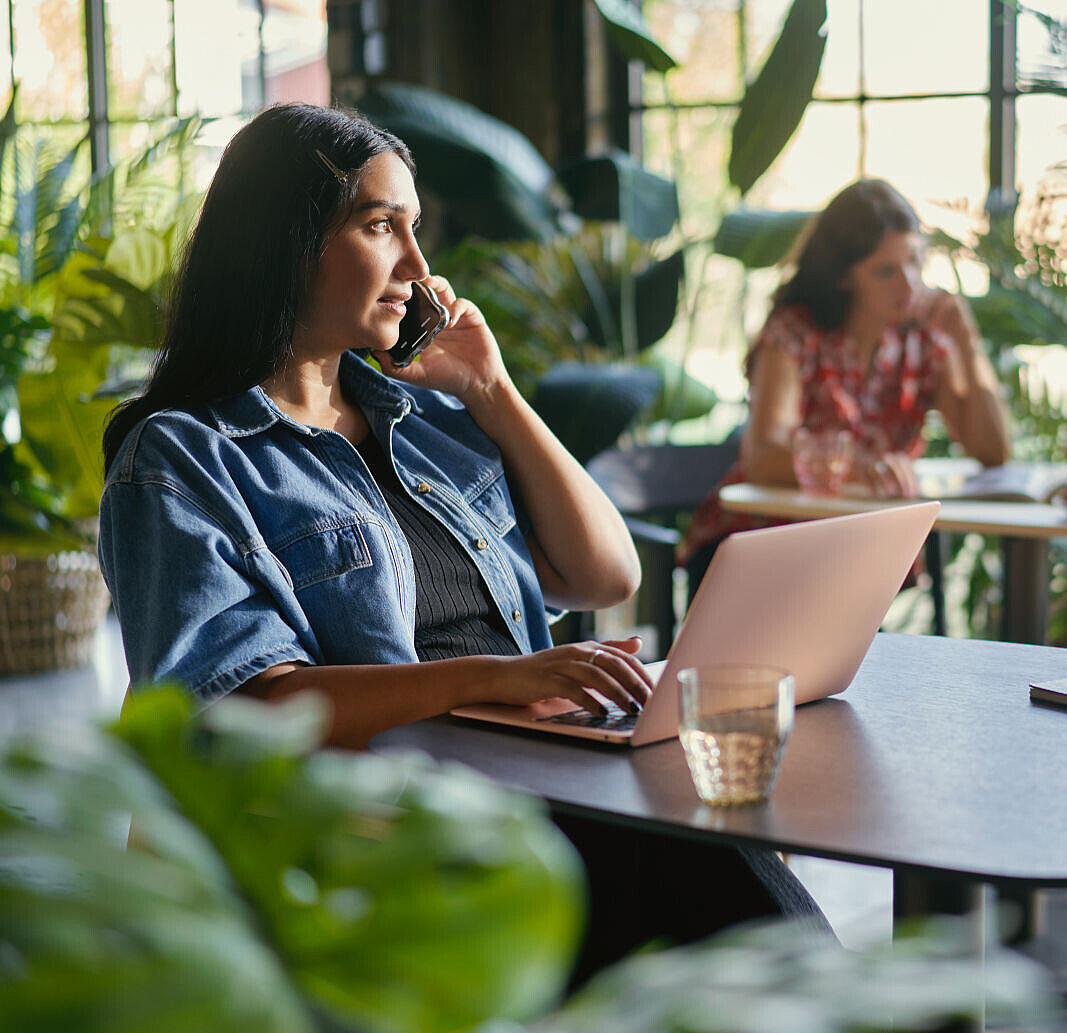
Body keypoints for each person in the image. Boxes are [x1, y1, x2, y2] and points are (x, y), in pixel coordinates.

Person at [98, 103, 827, 984]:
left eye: (416, 230)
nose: (416, 265)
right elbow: (237, 711)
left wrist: (493, 388)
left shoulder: (430, 417)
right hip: (393, 823)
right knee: (711, 891)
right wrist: (496, 677)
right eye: (380, 226)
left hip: (530, 777)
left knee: (711, 854)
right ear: (283, 242)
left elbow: (602, 572)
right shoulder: (182, 457)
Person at [678, 177, 1012, 591]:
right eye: (886, 270)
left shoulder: (922, 340)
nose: (910, 284)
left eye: (915, 261)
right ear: (842, 277)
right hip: (755, 546)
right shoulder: (794, 333)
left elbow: (993, 451)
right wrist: (858, 467)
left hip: (859, 548)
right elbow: (763, 457)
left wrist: (968, 341)